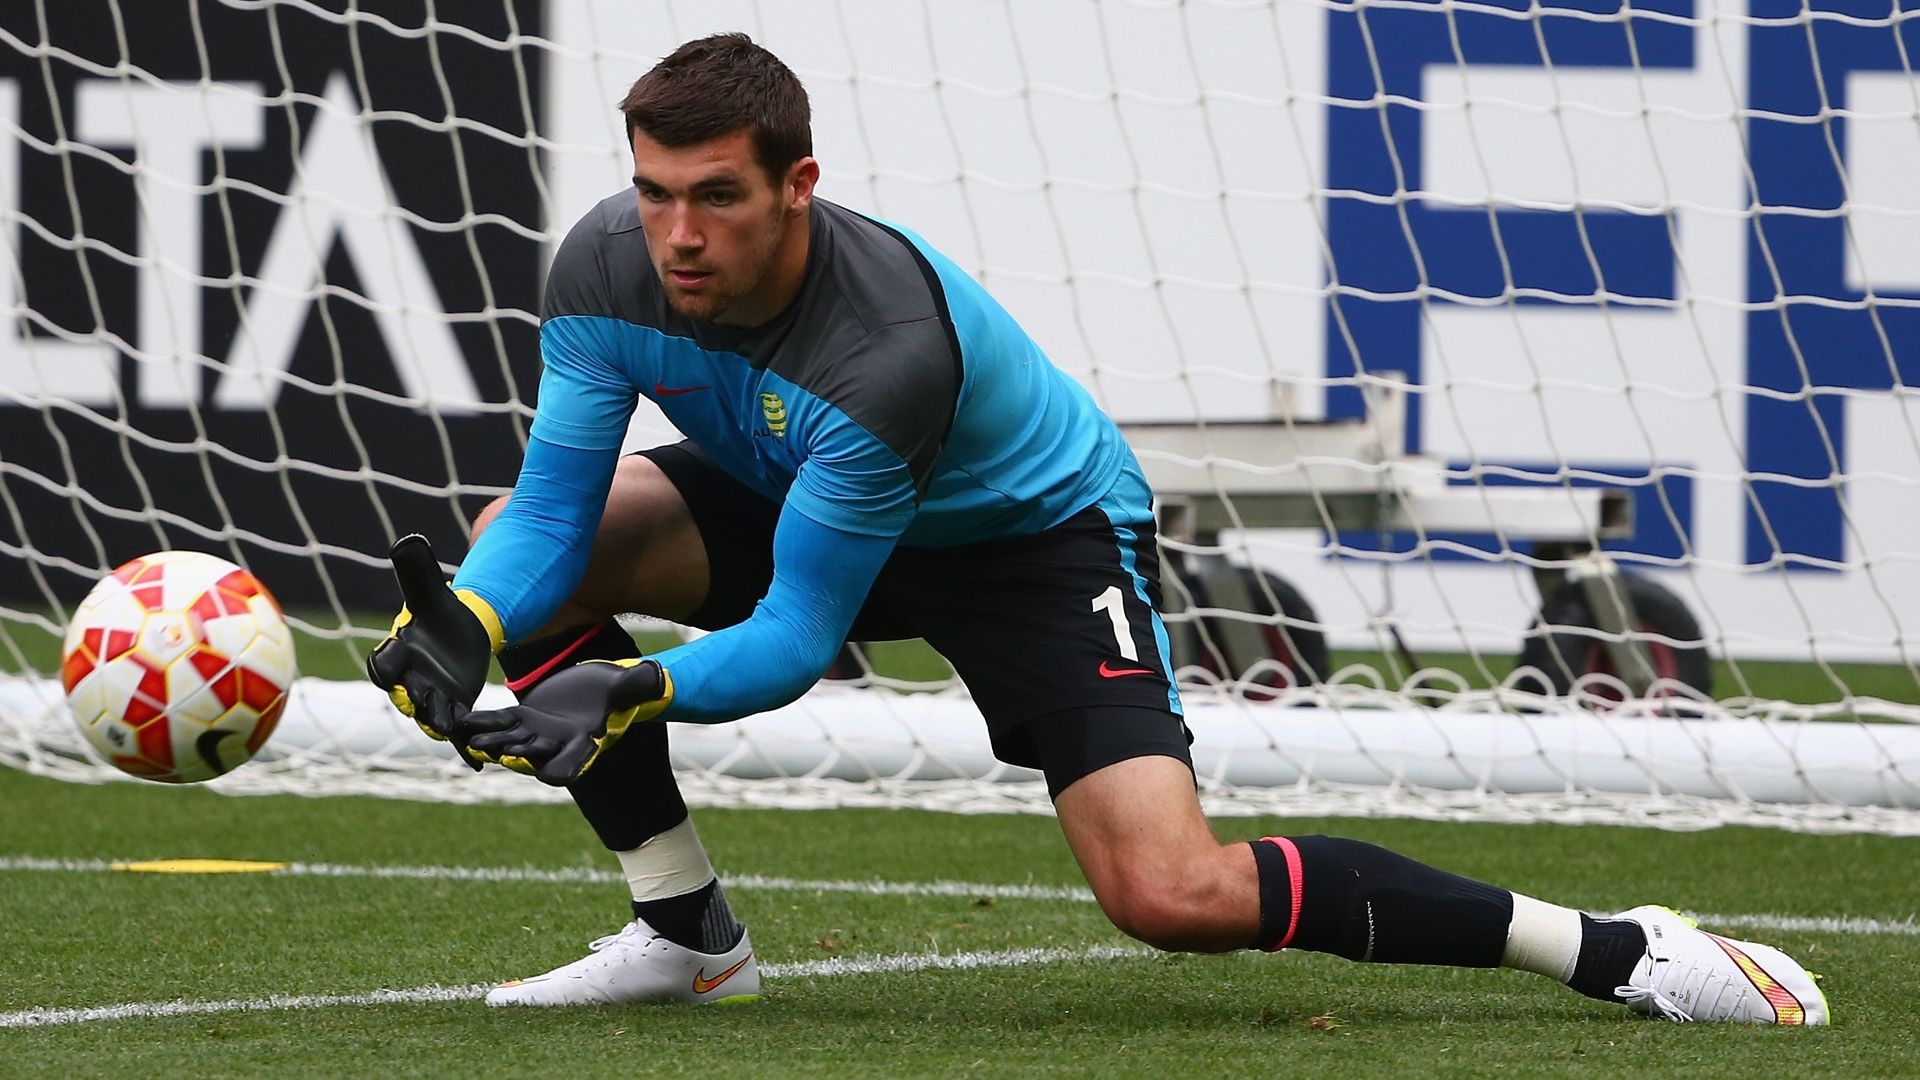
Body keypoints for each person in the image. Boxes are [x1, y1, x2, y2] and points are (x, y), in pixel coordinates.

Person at [367, 32, 1827, 1024]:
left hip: (1029, 537)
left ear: (799, 186)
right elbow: (552, 509)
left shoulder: (888, 353)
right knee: (514, 542)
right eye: (653, 193)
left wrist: (635, 683)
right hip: (795, 484)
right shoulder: (606, 265)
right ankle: (689, 938)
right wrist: (469, 622)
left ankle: (1615, 950)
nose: (679, 235)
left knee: (1172, 893)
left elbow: (802, 635)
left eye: (717, 199)